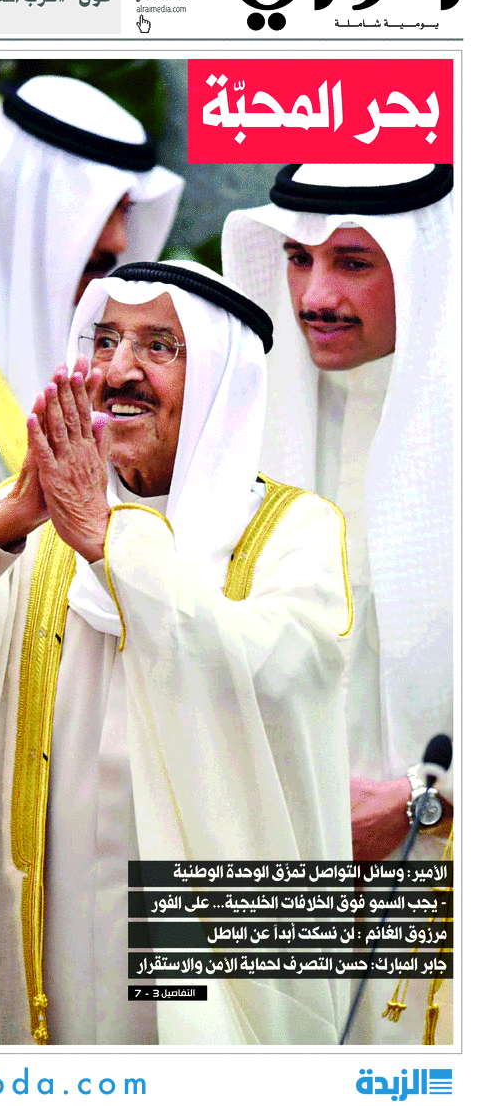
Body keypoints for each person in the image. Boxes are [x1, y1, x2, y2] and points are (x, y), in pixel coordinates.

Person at [0, 259, 354, 1046]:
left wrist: (110, 544)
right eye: (105, 340)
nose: (119, 370)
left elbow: (277, 681)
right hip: (50, 937)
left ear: (220, 381)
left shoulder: (293, 532)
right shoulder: (42, 533)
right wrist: (5, 523)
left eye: (159, 346)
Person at [222, 163, 454, 1042]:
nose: (314, 296)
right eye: (296, 258)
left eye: (354, 262)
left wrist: (426, 802)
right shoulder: (242, 433)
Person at [0, 75, 184, 511]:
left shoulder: (108, 350)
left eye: (125, 211)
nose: (119, 241)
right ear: (27, 203)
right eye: (100, 212)